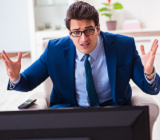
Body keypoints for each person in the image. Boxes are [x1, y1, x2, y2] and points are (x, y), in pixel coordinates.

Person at [1, 1, 160, 108]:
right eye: (76, 32)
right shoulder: (54, 50)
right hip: (71, 113)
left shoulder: (123, 46)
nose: (83, 39)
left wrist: (148, 72)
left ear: (98, 28)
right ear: (69, 33)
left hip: (113, 112)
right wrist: (15, 77)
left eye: (89, 30)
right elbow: (27, 82)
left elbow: (151, 89)